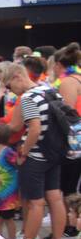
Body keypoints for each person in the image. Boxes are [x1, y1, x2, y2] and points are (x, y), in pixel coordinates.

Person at [3, 63, 67, 239]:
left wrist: (25, 151)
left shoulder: (29, 97)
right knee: (55, 198)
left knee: (35, 203)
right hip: (54, 153)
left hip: (36, 156)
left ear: (16, 77)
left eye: (8, 85)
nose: (10, 90)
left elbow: (35, 128)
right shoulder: (50, 90)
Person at [51, 42, 81, 198]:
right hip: (77, 138)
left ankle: (70, 220)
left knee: (68, 187)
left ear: (57, 65)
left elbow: (67, 114)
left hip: (74, 142)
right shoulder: (77, 78)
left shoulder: (68, 82)